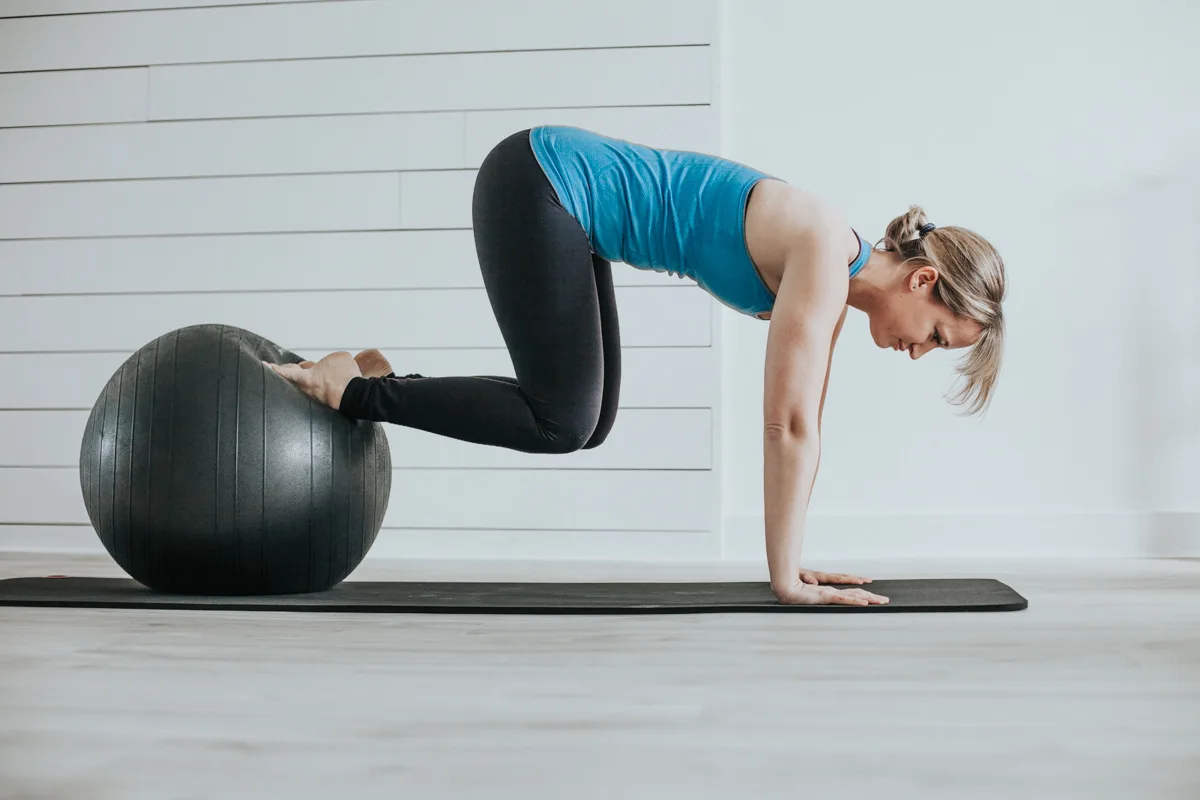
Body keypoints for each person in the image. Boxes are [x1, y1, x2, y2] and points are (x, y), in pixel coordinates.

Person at [265, 126, 1007, 608]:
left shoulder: (833, 278)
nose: (920, 354)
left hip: (565, 204)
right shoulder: (821, 248)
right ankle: (353, 389)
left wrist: (798, 559)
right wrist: (786, 581)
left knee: (584, 425)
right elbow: (785, 426)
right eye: (939, 336)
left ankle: (371, 378)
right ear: (921, 282)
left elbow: (807, 422)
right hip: (541, 183)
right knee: (562, 420)